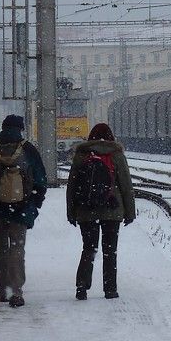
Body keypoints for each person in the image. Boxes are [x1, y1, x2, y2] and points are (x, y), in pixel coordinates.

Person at [0, 115, 48, 307]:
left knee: (1, 249)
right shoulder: (27, 149)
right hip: (20, 209)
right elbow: (40, 179)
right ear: (20, 129)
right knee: (17, 249)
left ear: (3, 128)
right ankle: (16, 292)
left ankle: (2, 289)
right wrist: (33, 204)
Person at [66, 123, 136, 300]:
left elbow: (72, 186)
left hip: (86, 209)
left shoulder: (82, 154)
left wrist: (71, 211)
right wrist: (130, 211)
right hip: (112, 210)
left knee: (89, 248)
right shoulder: (116, 154)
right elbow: (126, 185)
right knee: (109, 250)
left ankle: (82, 287)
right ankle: (110, 289)